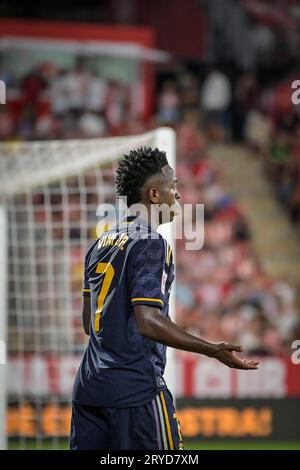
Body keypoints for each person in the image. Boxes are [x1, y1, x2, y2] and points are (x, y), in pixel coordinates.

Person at [70, 147, 259, 450]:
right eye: (174, 187)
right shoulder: (151, 242)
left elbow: (87, 324)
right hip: (136, 391)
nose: (179, 195)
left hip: (89, 390)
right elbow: (148, 321)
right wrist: (212, 350)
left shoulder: (99, 243)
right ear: (154, 195)